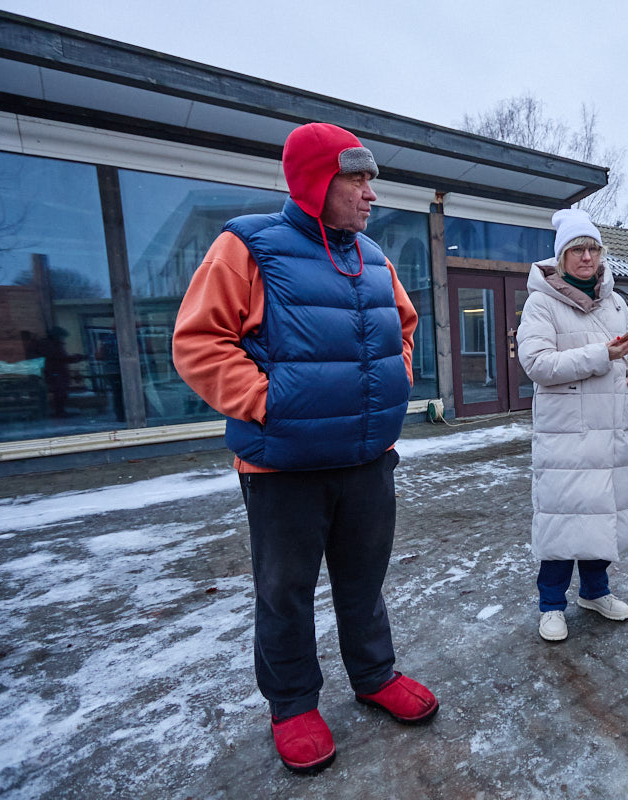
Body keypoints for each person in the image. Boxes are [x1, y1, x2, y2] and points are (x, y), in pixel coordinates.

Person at [173, 122, 437, 774]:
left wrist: (395, 384)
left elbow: (403, 326)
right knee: (284, 591)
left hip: (368, 462)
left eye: (372, 179)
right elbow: (198, 342)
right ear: (319, 181)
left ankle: (374, 677)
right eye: (359, 178)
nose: (372, 193)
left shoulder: (373, 257)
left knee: (363, 582)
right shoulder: (247, 245)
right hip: (282, 466)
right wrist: (272, 403)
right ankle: (292, 705)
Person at [517, 208, 628, 642]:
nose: (587, 256)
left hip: (611, 428)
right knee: (562, 517)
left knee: (599, 515)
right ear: (561, 257)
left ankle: (596, 592)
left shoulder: (615, 301)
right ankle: (551, 604)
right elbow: (536, 364)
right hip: (566, 433)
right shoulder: (542, 303)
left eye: (593, 248)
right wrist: (602, 357)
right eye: (578, 249)